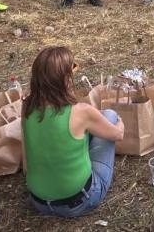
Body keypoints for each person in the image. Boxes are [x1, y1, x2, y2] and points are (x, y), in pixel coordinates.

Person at [23, 45, 124, 218]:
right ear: (66, 79)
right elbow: (118, 135)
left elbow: (25, 164)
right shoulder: (81, 111)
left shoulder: (27, 106)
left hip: (39, 201)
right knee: (110, 115)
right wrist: (120, 122)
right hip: (79, 201)